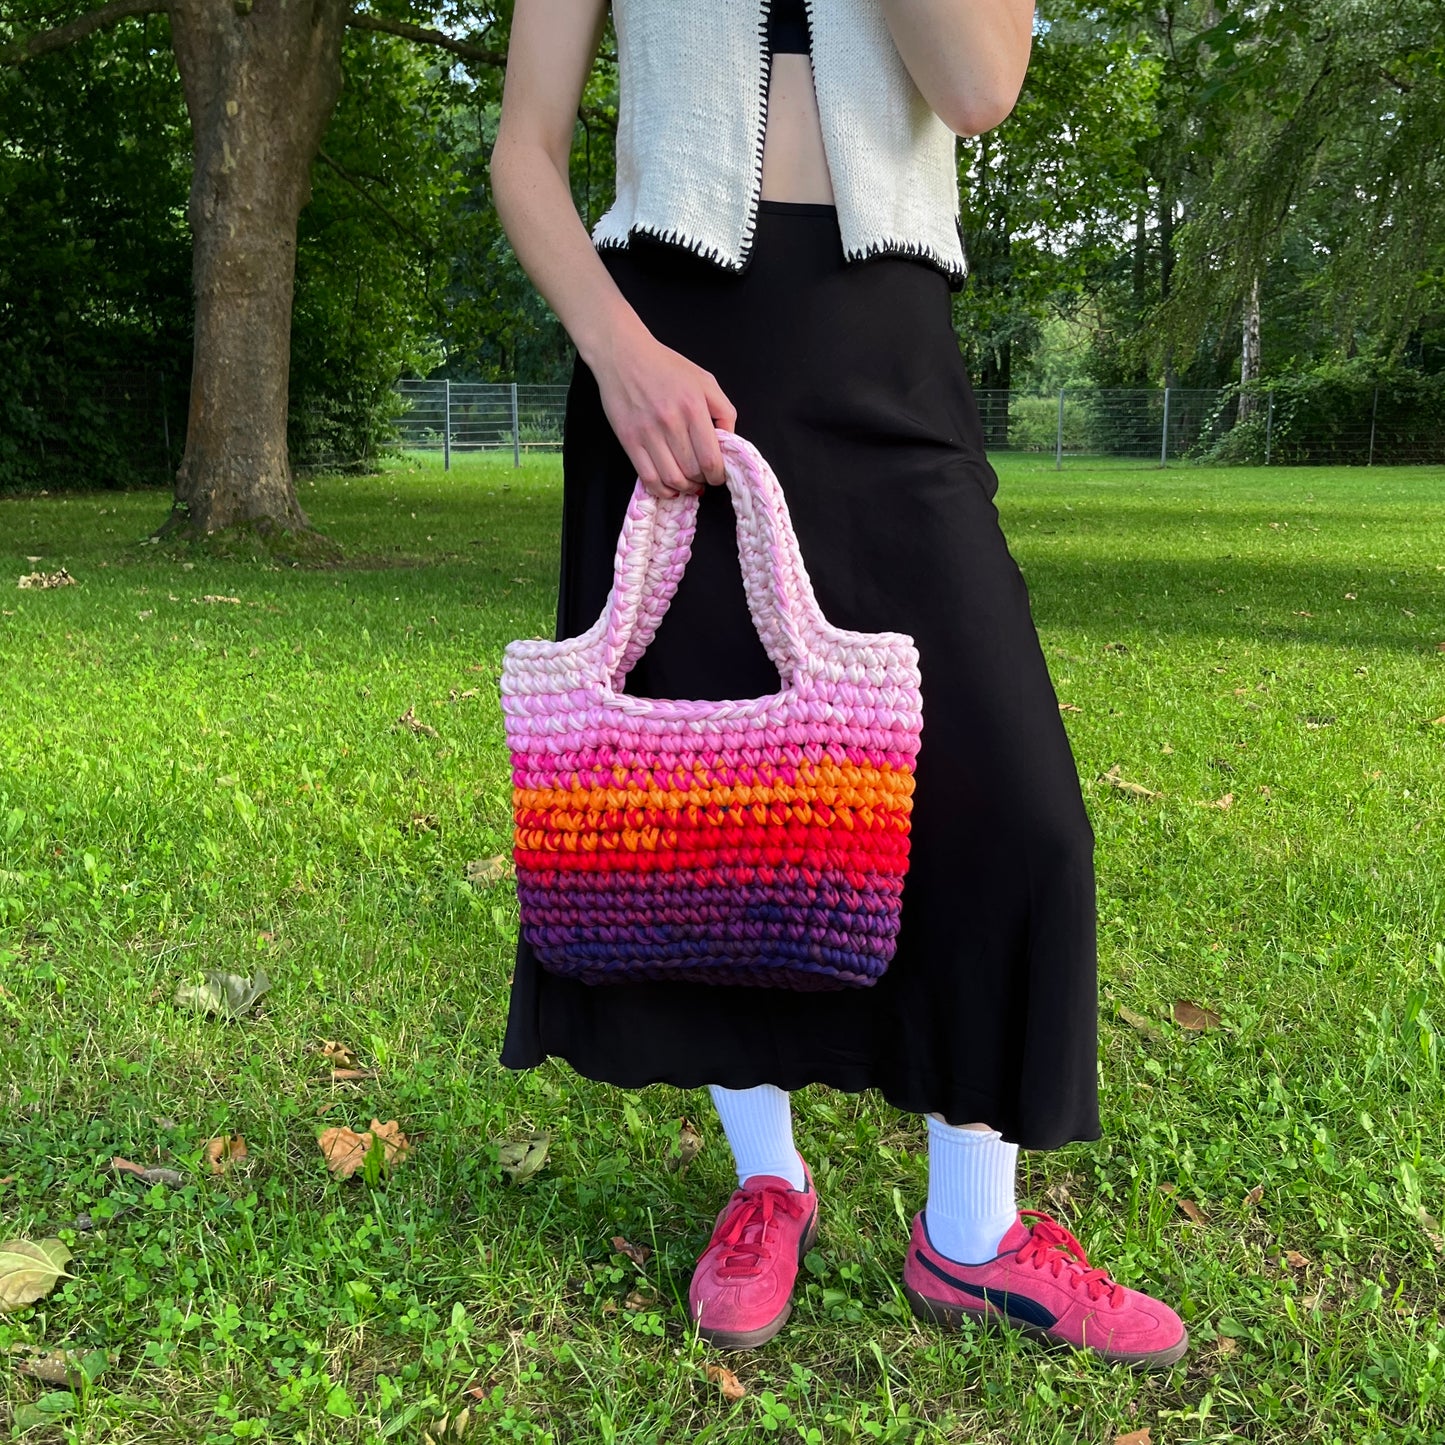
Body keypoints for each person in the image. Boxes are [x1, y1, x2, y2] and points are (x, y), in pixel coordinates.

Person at [490, 0, 1187, 1369]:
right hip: (663, 347)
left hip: (885, 342)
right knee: (717, 819)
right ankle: (769, 1182)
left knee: (1015, 809)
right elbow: (524, 149)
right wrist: (615, 351)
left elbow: (977, 88)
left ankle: (971, 1235)